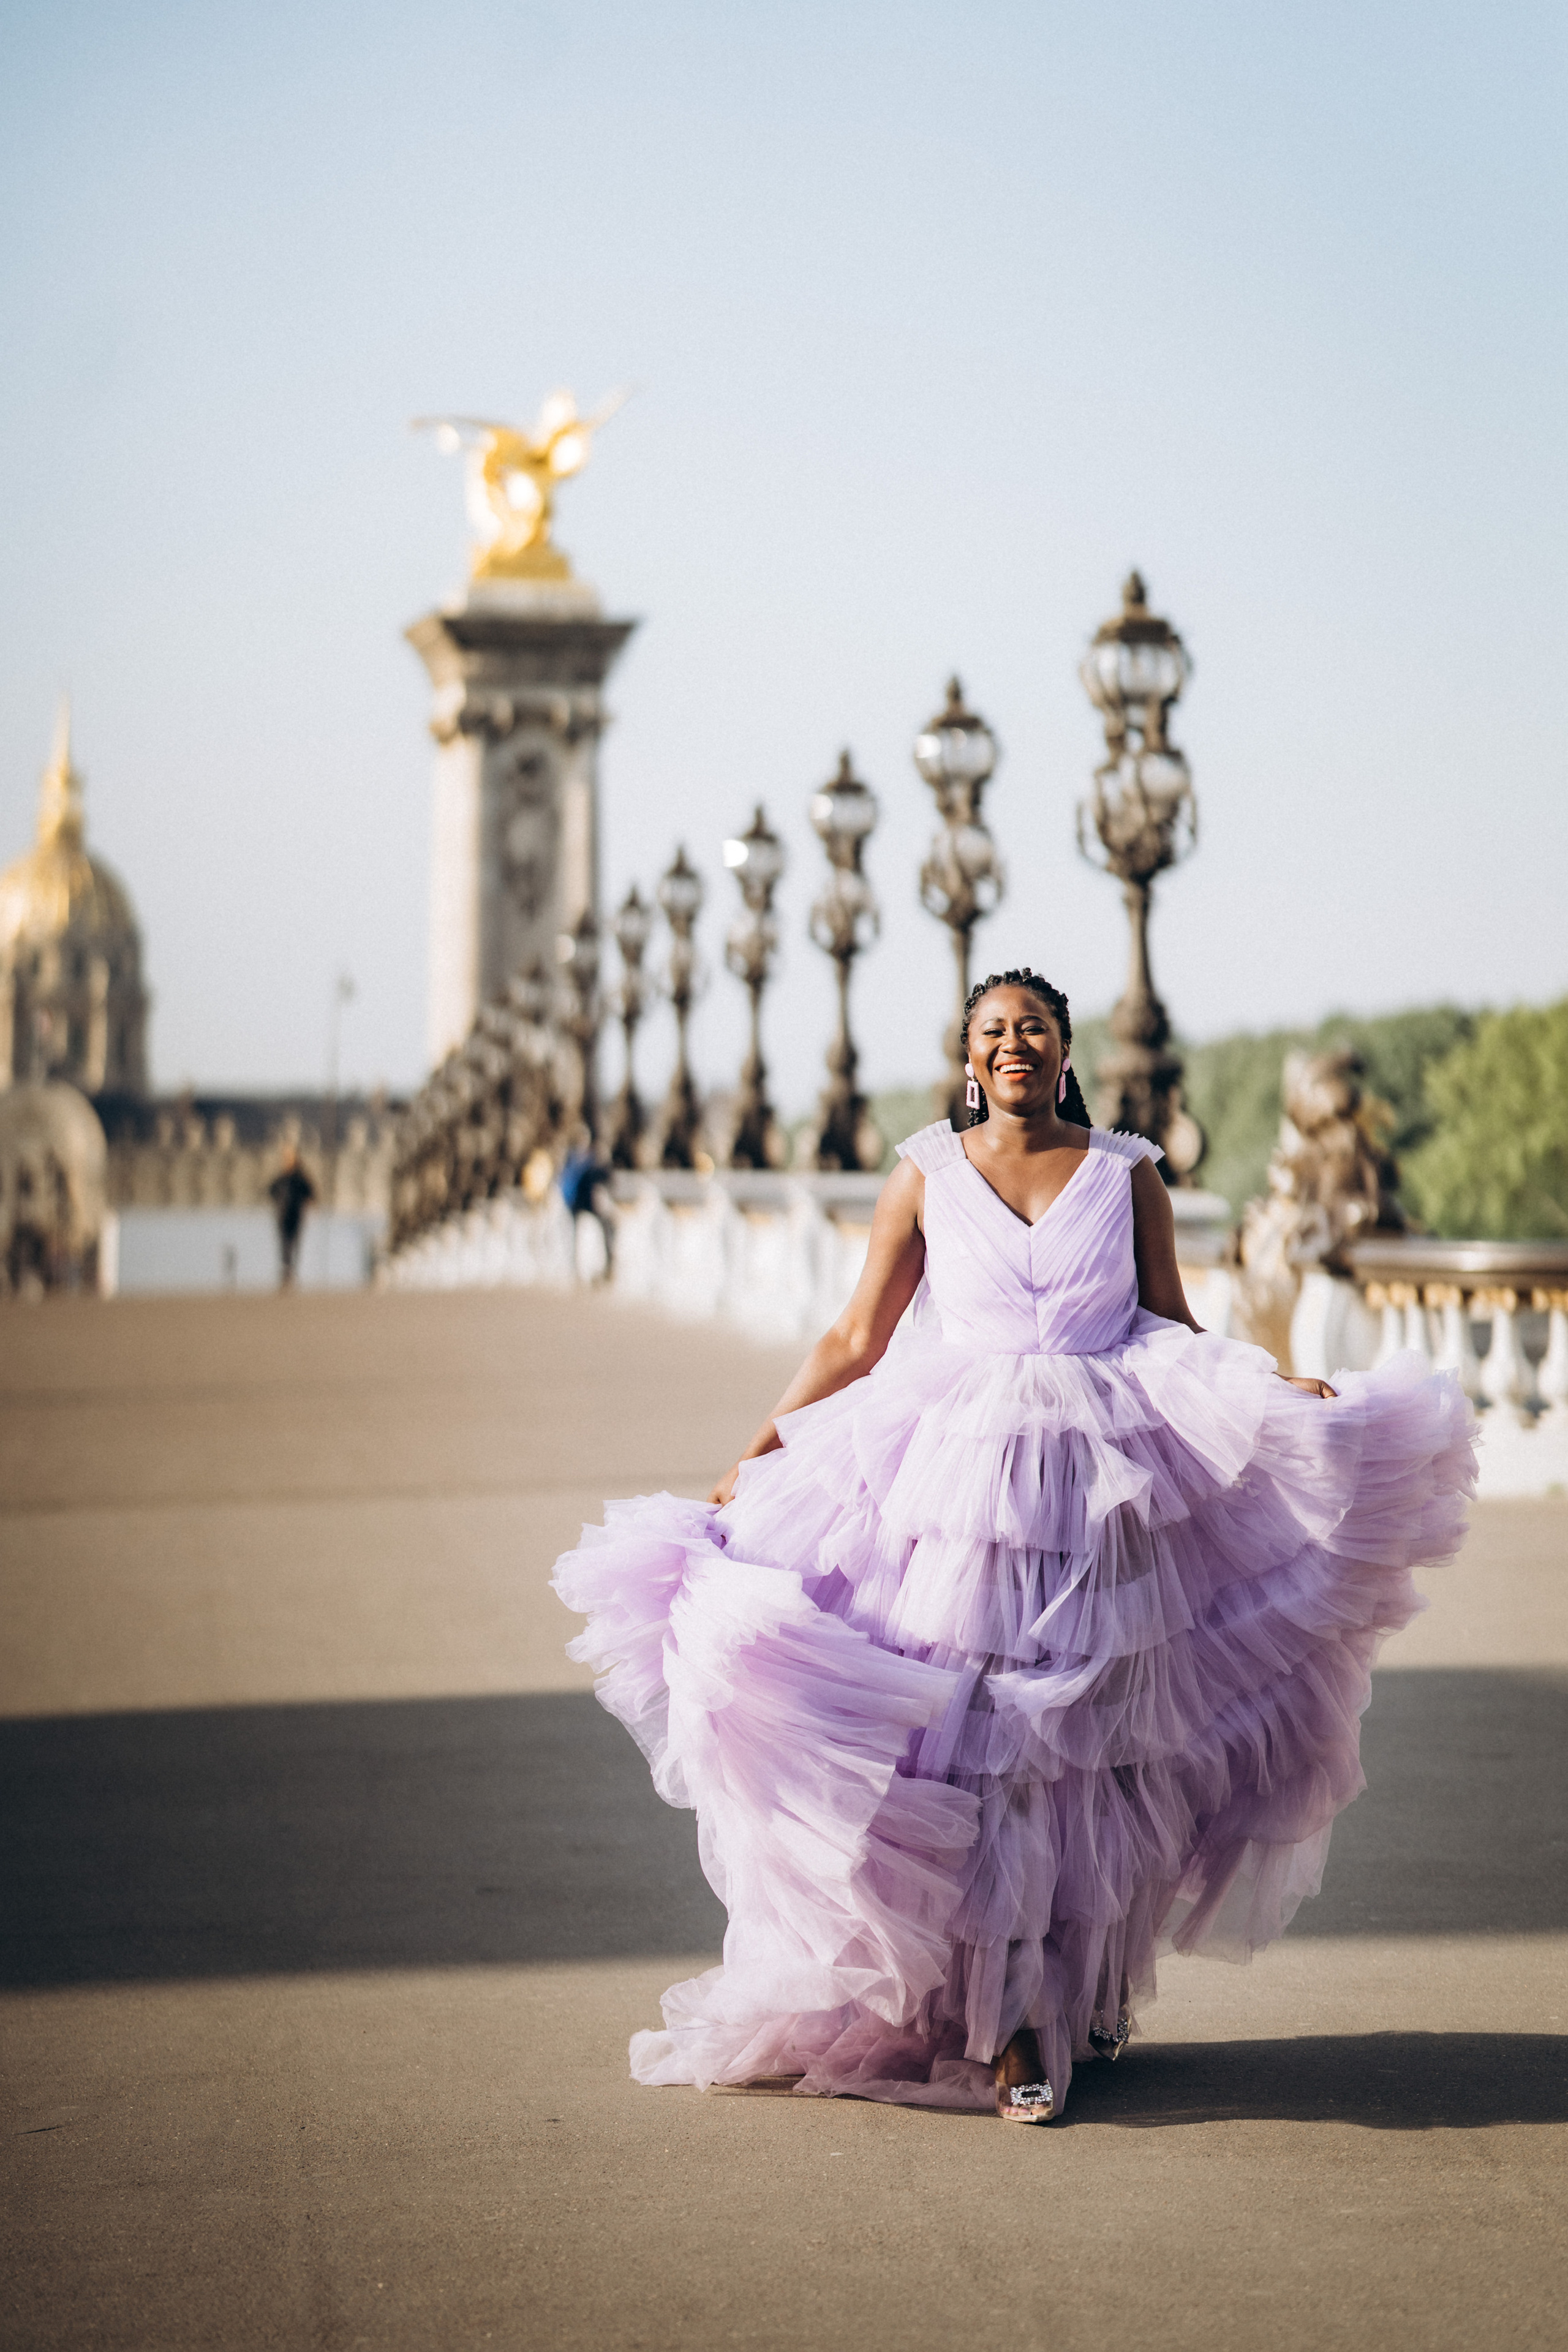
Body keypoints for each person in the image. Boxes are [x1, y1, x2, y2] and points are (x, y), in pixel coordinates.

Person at [553, 970, 1473, 2124]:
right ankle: (1007, 2030)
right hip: (959, 1492)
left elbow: (1166, 1321)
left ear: (1064, 1047)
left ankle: (1061, 1992)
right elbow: (856, 1333)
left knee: (1090, 1756)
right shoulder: (927, 1172)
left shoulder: (1126, 1169)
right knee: (985, 1753)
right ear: (968, 1053)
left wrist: (1269, 1382)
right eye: (993, 1031)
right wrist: (760, 1446)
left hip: (1100, 1496)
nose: (1013, 1045)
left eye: (1032, 1028)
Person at [268, 1145, 316, 1291]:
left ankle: (291, 1272)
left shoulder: (301, 1179)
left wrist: (308, 1205)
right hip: (283, 1216)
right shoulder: (281, 1178)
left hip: (296, 1216)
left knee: (294, 1244)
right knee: (284, 1245)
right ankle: (285, 1272)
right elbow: (271, 1191)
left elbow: (311, 1195)